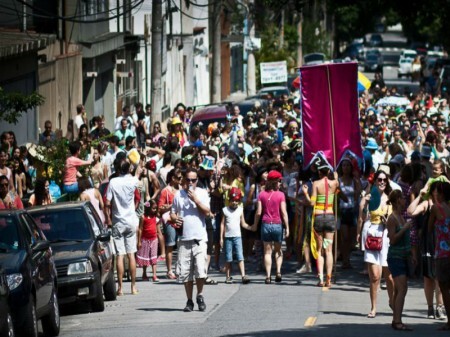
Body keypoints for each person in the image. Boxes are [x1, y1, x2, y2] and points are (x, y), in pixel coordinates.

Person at [170, 168, 210, 312]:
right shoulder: (178, 195)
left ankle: (200, 295)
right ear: (184, 180)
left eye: (193, 180)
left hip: (199, 238)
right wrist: (176, 219)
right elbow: (172, 214)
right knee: (186, 272)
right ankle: (189, 300)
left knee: (200, 270)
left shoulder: (202, 193)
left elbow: (207, 212)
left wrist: (196, 200)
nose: (190, 183)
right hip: (184, 238)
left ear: (197, 180)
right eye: (188, 180)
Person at [358, 169, 394, 318]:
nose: (382, 182)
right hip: (372, 234)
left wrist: (388, 222)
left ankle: (392, 301)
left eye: (384, 180)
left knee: (389, 276)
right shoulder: (370, 197)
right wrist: (363, 204)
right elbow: (362, 216)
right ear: (375, 181)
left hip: (385, 236)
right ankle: (373, 308)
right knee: (374, 275)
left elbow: (394, 218)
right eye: (379, 179)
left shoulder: (390, 198)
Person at [302, 155, 342, 287]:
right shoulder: (335, 183)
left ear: (319, 172)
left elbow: (312, 202)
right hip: (330, 217)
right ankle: (329, 279)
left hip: (319, 218)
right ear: (329, 171)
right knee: (329, 250)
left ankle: (321, 279)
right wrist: (336, 178)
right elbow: (337, 192)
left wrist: (306, 193)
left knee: (319, 250)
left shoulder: (315, 184)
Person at [105, 159, 141, 296]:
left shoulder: (113, 182)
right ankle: (133, 287)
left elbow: (107, 202)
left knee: (120, 255)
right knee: (131, 254)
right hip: (131, 220)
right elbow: (139, 189)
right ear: (128, 169)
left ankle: (120, 288)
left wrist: (108, 217)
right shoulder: (133, 180)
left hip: (118, 221)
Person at [253, 170, 289, 284]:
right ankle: (278, 272)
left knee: (267, 252)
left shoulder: (261, 194)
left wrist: (255, 224)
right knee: (278, 251)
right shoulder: (281, 195)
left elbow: (258, 212)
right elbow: (284, 212)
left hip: (266, 224)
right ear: (275, 182)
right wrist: (287, 227)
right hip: (277, 224)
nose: (280, 183)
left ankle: (268, 276)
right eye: (279, 181)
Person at [386, 190, 415, 331]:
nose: (405, 200)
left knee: (400, 289)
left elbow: (406, 241)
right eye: (403, 198)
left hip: (403, 256)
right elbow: (393, 239)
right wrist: (404, 229)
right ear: (397, 200)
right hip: (395, 257)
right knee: (402, 288)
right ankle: (397, 321)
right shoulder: (392, 218)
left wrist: (411, 254)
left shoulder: (401, 217)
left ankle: (396, 319)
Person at [428, 181, 450, 330]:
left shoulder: (436, 208)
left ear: (441, 193)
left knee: (444, 287)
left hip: (442, 253)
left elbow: (429, 228)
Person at [220, 187, 254, 284]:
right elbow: (222, 224)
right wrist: (221, 238)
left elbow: (243, 223)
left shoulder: (240, 210)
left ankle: (243, 275)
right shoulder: (225, 210)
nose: (234, 203)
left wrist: (251, 227)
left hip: (237, 237)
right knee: (228, 257)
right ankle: (228, 276)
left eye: (237, 201)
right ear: (229, 200)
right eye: (233, 201)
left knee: (240, 256)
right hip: (228, 237)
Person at [158, 168, 181, 279]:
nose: (181, 180)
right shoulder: (165, 191)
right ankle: (169, 270)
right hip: (170, 221)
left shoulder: (181, 190)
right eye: (179, 178)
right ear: (173, 178)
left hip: (180, 220)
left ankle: (179, 268)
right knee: (170, 246)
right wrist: (171, 206)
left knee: (181, 246)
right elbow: (160, 208)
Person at [136, 200, 162, 282]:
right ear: (148, 208)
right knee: (145, 257)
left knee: (154, 257)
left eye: (156, 208)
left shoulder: (156, 218)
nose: (155, 210)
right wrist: (139, 241)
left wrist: (160, 241)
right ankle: (144, 273)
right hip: (145, 240)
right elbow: (140, 229)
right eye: (153, 208)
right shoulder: (143, 217)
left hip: (154, 240)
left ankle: (154, 275)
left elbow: (158, 231)